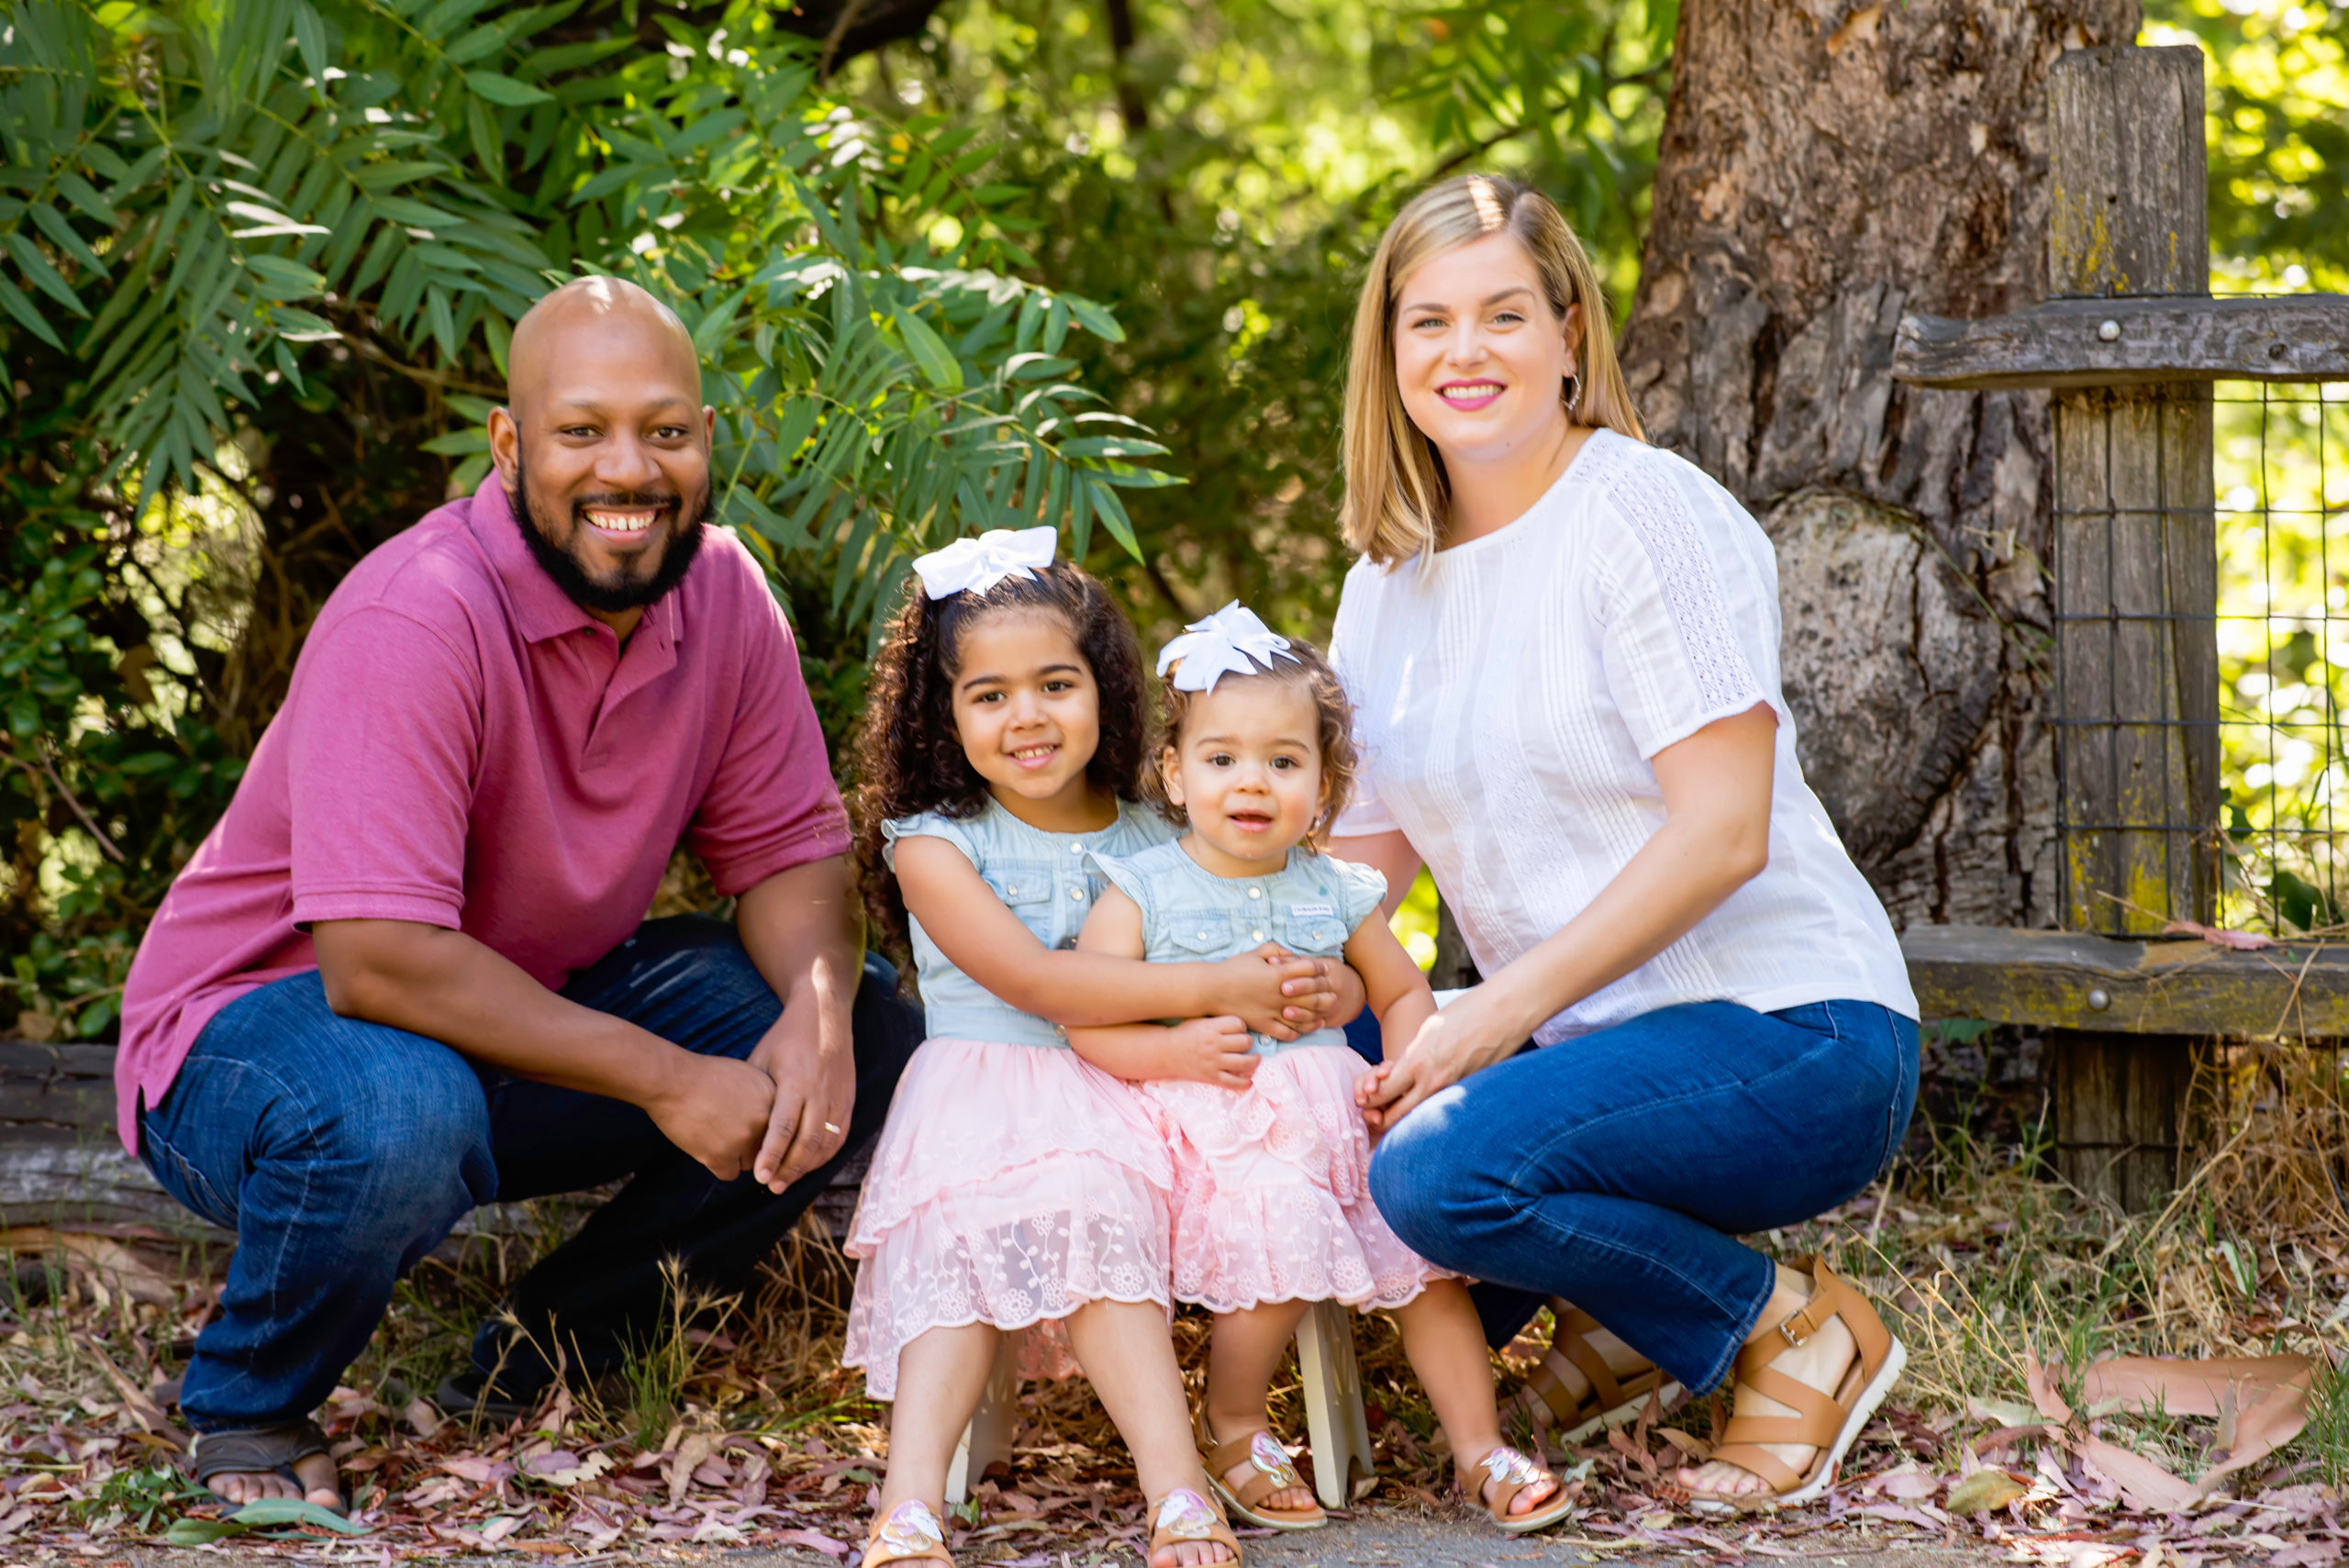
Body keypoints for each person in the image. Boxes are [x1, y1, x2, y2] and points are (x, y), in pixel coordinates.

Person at [116, 277, 924, 1512]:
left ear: (706, 442)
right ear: (508, 445)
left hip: (511, 1011)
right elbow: (376, 963)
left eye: (663, 430)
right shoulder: (417, 613)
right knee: (398, 1108)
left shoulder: (720, 594)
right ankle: (248, 1410)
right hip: (255, 1038)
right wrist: (666, 1076)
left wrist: (812, 1010)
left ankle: (548, 1352)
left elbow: (788, 857)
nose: (629, 469)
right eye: (581, 430)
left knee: (868, 1020)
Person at [1329, 174, 1920, 1513]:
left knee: (1438, 1169)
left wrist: (1490, 1019)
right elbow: (1359, 886)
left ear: (1571, 334)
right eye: (1428, 322)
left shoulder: (1646, 514)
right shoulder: (1385, 585)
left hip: (1791, 1030)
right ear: (1390, 351)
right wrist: (1237, 1004)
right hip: (1578, 1043)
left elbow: (1721, 836)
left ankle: (1789, 1325)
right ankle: (1620, 1321)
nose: (1463, 354)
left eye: (1502, 316)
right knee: (1314, 1065)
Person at [843, 536, 1359, 1568]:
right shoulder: (934, 840)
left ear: (1104, 689)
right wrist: (1217, 986)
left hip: (1137, 1093)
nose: (1026, 716)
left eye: (1055, 683)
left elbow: (1302, 948)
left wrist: (1323, 988)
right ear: (940, 713)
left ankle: (1176, 1488)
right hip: (981, 1094)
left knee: (1103, 1200)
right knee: (956, 1236)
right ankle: (907, 1507)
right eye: (987, 694)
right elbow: (1036, 982)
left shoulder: (1155, 837)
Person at [1068, 605, 1573, 1538]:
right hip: (1218, 1129)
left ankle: (1476, 1448)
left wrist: (1413, 1070)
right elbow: (1087, 1019)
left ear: (1326, 785)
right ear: (1175, 773)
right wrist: (1175, 1047)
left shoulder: (1334, 888)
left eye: (1283, 760)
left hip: (1339, 1119)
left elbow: (1402, 993)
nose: (1250, 781)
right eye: (1220, 759)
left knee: (1427, 1266)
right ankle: (1234, 1420)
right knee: (1281, 1223)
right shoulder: (1144, 885)